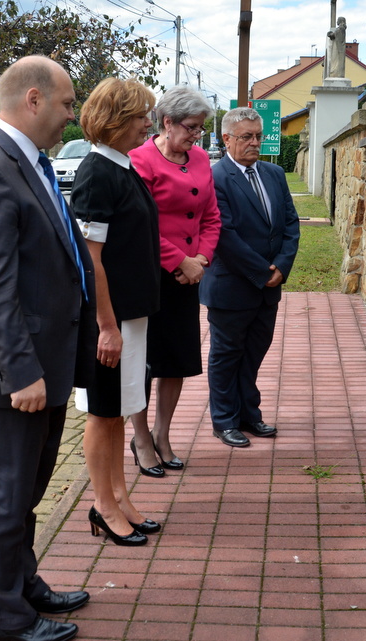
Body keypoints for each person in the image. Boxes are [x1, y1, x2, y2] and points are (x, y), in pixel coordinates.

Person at [0, 56, 96, 641]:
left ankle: (25, 586)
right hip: (17, 374)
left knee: (27, 490)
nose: (71, 116)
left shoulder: (28, 163)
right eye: (66, 103)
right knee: (6, 498)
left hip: (42, 367)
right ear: (33, 99)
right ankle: (6, 619)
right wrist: (23, 371)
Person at [70, 78, 162, 545]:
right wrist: (106, 327)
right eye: (141, 115)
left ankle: (121, 496)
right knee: (103, 414)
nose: (149, 122)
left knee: (120, 412)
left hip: (130, 317)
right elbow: (91, 259)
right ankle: (103, 506)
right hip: (112, 321)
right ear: (115, 120)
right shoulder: (96, 172)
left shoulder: (122, 167)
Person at [128, 86, 221, 476]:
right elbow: (139, 225)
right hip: (151, 276)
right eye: (191, 127)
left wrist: (200, 259)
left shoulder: (200, 159)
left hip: (188, 278)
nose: (197, 135)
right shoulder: (140, 160)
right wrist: (180, 260)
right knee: (144, 364)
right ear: (167, 122)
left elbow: (212, 218)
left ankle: (163, 434)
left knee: (176, 362)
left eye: (200, 128)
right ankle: (141, 438)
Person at [199, 107, 300, 448]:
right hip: (231, 286)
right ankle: (224, 421)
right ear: (226, 139)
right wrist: (262, 272)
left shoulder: (274, 173)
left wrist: (281, 268)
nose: (255, 143)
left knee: (254, 352)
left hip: (268, 288)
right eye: (246, 137)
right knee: (227, 355)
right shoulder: (215, 178)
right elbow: (224, 234)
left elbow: (290, 224)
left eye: (258, 136)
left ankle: (248, 415)